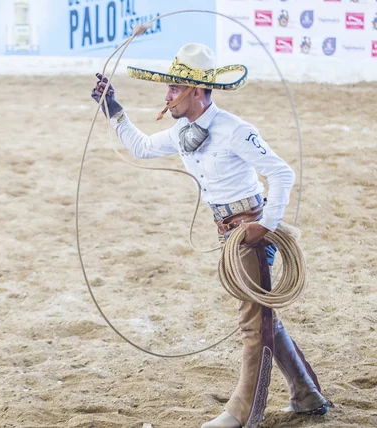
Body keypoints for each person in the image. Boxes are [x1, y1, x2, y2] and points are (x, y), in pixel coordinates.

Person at [90, 43, 329, 428]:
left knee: (253, 323)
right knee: (263, 317)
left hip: (250, 232)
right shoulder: (183, 129)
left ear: (195, 91)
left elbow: (283, 173)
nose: (166, 97)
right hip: (229, 232)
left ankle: (242, 413)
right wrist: (112, 107)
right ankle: (306, 396)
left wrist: (266, 224)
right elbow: (142, 147)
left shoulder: (235, 130)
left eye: (173, 89)